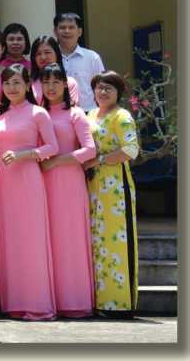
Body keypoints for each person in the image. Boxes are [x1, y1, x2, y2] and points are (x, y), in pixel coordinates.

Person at [0, 65, 59, 320]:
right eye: (7, 83)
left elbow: (52, 147)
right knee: (10, 240)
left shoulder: (38, 113)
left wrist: (25, 154)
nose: (12, 88)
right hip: (5, 182)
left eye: (17, 82)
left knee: (31, 239)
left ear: (28, 85)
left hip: (29, 179)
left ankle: (38, 304)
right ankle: (15, 304)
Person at [37, 63, 96, 318]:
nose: (51, 87)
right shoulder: (38, 113)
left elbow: (90, 150)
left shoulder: (75, 114)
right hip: (41, 182)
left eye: (56, 82)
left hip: (69, 182)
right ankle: (52, 298)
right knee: (49, 240)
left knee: (69, 238)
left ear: (65, 84)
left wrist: (57, 161)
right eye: (46, 82)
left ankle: (75, 301)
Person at [84, 71, 140, 317]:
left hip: (116, 184)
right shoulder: (90, 115)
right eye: (99, 87)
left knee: (116, 240)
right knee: (97, 241)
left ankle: (120, 304)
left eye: (109, 88)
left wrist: (99, 160)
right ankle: (100, 300)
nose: (103, 92)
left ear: (119, 92)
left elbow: (130, 149)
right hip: (93, 185)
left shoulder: (122, 116)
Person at [54, 13, 105, 112]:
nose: (67, 31)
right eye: (62, 27)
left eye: (71, 27)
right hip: (58, 113)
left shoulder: (92, 57)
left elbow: (102, 86)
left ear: (79, 31)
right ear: (55, 31)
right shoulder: (50, 57)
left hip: (88, 112)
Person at [30, 36, 81, 108]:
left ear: (57, 54)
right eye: (38, 54)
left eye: (47, 52)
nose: (43, 57)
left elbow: (72, 110)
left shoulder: (69, 83)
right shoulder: (29, 84)